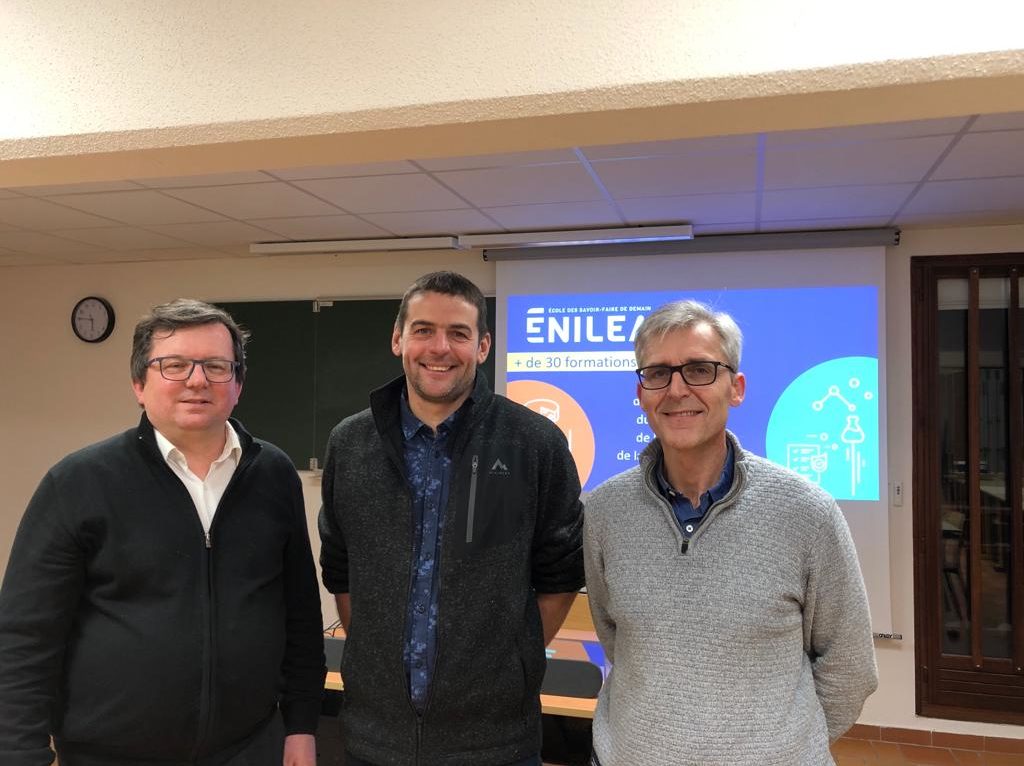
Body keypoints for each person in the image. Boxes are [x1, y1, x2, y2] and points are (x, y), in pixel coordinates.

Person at [0, 299, 325, 766]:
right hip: (109, 755)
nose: (197, 380)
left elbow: (299, 610)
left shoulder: (272, 474)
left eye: (216, 366)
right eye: (174, 365)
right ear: (139, 383)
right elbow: (24, 638)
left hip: (249, 748)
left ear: (239, 382)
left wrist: (300, 726)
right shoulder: (79, 482)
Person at [583, 299, 878, 766]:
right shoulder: (603, 512)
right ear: (641, 393)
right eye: (657, 373)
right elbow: (617, 639)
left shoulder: (807, 511)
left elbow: (850, 668)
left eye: (699, 369)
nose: (676, 389)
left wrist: (781, 746)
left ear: (736, 388)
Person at [318, 271, 584, 766]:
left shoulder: (534, 443)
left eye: (458, 334)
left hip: (495, 743)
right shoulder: (350, 444)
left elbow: (560, 573)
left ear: (482, 346)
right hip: (374, 740)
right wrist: (378, 663)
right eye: (423, 330)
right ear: (398, 338)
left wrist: (509, 662)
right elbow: (340, 568)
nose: (439, 347)